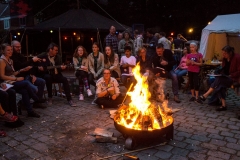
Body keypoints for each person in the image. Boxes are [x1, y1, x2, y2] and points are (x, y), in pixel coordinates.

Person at [0, 43, 41, 117]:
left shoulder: (10, 60)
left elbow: (12, 73)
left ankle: (30, 111)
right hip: (6, 83)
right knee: (25, 83)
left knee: (25, 91)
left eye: (11, 50)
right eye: (8, 50)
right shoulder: (2, 61)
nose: (10, 51)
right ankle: (36, 98)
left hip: (11, 81)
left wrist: (22, 70)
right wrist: (16, 79)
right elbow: (2, 76)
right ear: (3, 51)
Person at [200, 45, 240, 111]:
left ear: (230, 53)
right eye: (223, 53)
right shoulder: (225, 59)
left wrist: (231, 75)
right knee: (219, 84)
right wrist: (219, 72)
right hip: (225, 77)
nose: (223, 55)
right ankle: (223, 105)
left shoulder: (237, 58)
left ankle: (205, 95)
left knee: (218, 80)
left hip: (234, 79)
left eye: (225, 53)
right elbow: (224, 69)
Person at [37, 43, 76, 107]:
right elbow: (34, 60)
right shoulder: (43, 55)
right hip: (46, 75)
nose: (57, 52)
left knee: (65, 80)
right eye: (55, 50)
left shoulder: (58, 57)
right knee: (48, 77)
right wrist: (39, 67)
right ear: (50, 50)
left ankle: (69, 99)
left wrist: (62, 68)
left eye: (57, 50)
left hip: (56, 75)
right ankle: (50, 97)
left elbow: (60, 69)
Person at [11, 40, 46, 104]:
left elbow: (28, 66)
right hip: (19, 77)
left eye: (20, 47)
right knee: (34, 89)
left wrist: (32, 75)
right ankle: (27, 102)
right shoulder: (11, 57)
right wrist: (32, 60)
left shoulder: (20, 55)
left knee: (42, 81)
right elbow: (20, 66)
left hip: (27, 75)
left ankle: (36, 102)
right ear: (12, 47)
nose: (19, 48)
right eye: (17, 47)